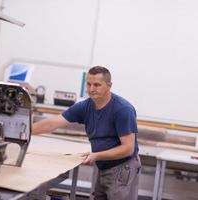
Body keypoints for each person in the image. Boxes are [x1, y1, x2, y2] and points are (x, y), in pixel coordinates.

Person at [32, 66, 141, 200]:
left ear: (109, 85)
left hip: (122, 167)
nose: (91, 89)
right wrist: (26, 131)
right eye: (88, 84)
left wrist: (97, 155)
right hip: (104, 165)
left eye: (97, 85)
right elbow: (53, 122)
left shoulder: (122, 109)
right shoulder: (86, 106)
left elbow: (128, 149)